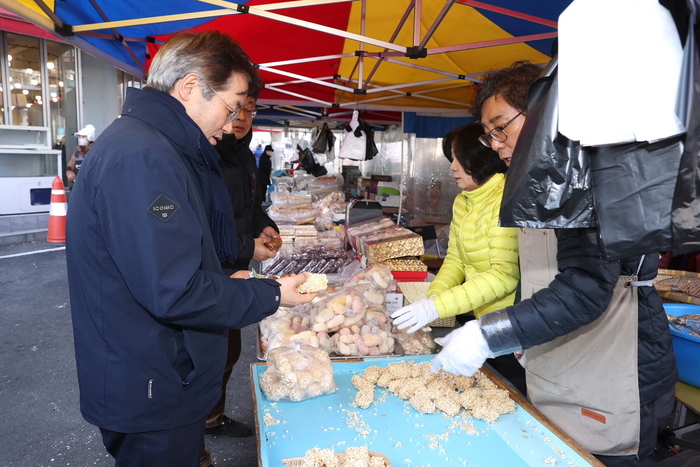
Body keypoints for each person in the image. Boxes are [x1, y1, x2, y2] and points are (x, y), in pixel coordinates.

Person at [65, 31, 316, 467]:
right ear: (189, 87)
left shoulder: (151, 145)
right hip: (151, 383)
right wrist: (272, 293)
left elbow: (163, 261)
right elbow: (174, 290)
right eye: (231, 105)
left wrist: (226, 277)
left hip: (154, 371)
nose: (233, 121)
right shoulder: (143, 155)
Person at [431, 61, 677, 466]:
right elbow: (537, 277)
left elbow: (584, 288)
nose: (496, 144)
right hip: (562, 368)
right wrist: (525, 337)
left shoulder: (594, 178)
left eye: (501, 128)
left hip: (618, 371)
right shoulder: (541, 184)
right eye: (489, 135)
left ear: (546, 113)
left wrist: (489, 334)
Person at [390, 123, 524, 393]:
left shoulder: (505, 200)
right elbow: (456, 260)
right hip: (477, 317)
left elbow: (503, 277)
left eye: (458, 159)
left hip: (509, 325)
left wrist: (437, 308)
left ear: (480, 157)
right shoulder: (464, 200)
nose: (452, 167)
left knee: (510, 392)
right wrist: (432, 299)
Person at [201, 90, 279, 448]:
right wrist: (250, 246)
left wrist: (265, 224)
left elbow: (250, 207)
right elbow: (207, 226)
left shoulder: (245, 155)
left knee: (228, 352)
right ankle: (201, 425)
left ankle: (211, 417)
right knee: (209, 355)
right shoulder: (206, 157)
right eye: (234, 109)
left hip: (236, 268)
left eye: (249, 110)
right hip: (211, 273)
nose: (241, 117)